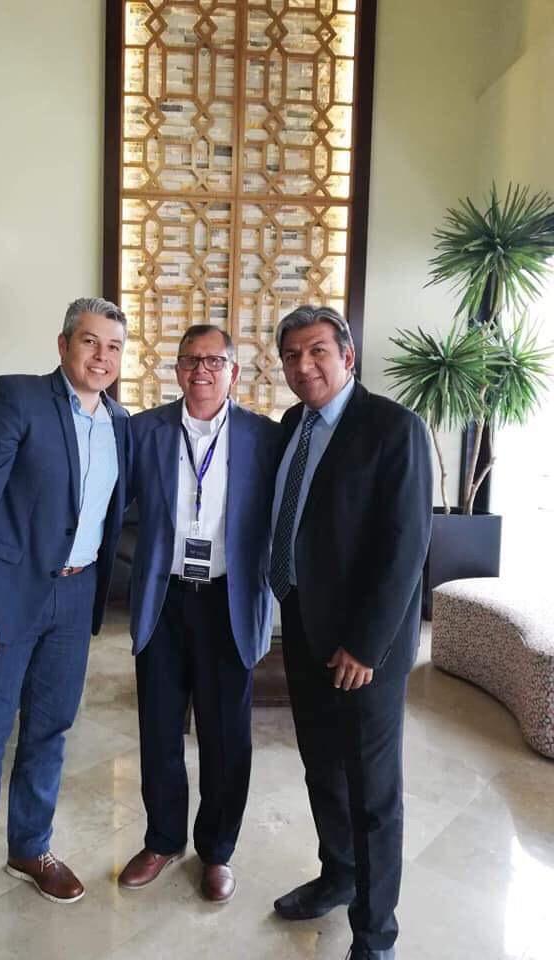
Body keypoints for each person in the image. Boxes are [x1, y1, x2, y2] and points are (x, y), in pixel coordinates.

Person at [0, 298, 130, 954]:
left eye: (113, 346)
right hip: (6, 600)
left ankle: (30, 847)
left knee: (50, 730)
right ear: (64, 344)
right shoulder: (17, 398)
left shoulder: (119, 424)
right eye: (90, 341)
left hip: (74, 600)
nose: (101, 356)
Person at [270, 306, 432, 960]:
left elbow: (406, 546)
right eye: (291, 356)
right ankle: (337, 874)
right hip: (303, 627)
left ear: (348, 356)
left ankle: (376, 932)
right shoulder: (293, 425)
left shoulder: (394, 428)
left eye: (317, 351)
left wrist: (367, 645)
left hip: (365, 648)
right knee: (322, 770)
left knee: (372, 791)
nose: (303, 365)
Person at [118, 324, 280, 903]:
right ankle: (163, 840)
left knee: (226, 736)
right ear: (177, 369)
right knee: (160, 728)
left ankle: (217, 850)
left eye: (215, 361)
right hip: (163, 599)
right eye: (191, 360)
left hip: (227, 600)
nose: (202, 370)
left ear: (234, 371)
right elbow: (111, 503)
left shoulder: (265, 437)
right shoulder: (144, 431)